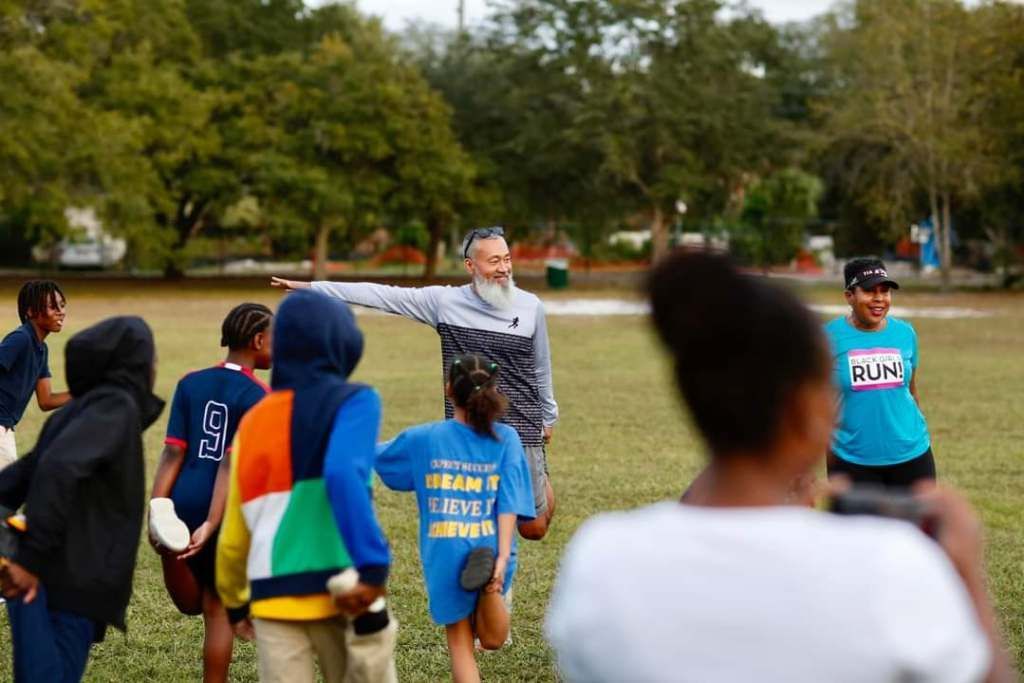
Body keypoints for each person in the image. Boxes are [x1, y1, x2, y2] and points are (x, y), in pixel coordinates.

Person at [545, 253, 1012, 683]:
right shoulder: (888, 569)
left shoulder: (600, 559)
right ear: (815, 413)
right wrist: (967, 578)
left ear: (690, 397)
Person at [271, 226, 557, 540]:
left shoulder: (530, 307)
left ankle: (541, 479)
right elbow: (380, 295)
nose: (503, 268)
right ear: (471, 266)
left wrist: (549, 416)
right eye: (493, 262)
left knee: (533, 528)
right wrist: (311, 288)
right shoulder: (444, 302)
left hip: (523, 421)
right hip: (469, 425)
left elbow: (541, 366)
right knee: (482, 517)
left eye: (506, 259)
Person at [216, 290, 397, 683]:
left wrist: (234, 602)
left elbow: (233, 534)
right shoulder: (357, 401)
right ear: (342, 342)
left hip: (271, 592)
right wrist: (373, 564)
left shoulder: (253, 421)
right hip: (344, 586)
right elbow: (342, 474)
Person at [0, 317, 164, 682]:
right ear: (131, 363)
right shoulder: (115, 405)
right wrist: (30, 559)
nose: (154, 367)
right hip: (68, 580)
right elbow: (56, 468)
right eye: (149, 358)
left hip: (52, 576)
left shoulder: (82, 409)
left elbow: (22, 474)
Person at [376, 354, 535, 683]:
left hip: (446, 545)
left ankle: (486, 581)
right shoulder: (507, 438)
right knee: (491, 640)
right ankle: (489, 587)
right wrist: (503, 556)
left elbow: (378, 458)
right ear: (493, 390)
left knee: (461, 645)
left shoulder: (425, 438)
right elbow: (509, 501)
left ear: (449, 389)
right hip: (491, 541)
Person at [148, 303, 273, 683]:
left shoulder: (190, 381)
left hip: (182, 498)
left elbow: (172, 452)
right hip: (223, 507)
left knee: (189, 603)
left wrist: (156, 509)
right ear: (257, 340)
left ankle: (173, 553)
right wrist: (215, 521)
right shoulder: (260, 395)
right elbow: (233, 465)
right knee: (216, 608)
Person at [826, 257, 935, 486]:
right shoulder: (827, 338)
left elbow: (911, 391)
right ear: (849, 296)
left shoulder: (905, 333)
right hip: (851, 461)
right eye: (869, 291)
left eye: (884, 291)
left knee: (916, 524)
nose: (879, 299)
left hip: (912, 455)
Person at [0, 280, 72, 469]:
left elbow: (46, 400)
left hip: (6, 429)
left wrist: (85, 392)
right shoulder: (21, 338)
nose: (60, 311)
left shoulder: (41, 348)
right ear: (31, 311)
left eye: (62, 305)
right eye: (52, 306)